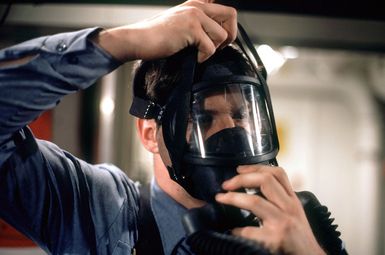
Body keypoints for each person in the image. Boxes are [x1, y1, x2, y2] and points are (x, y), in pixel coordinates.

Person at [0, 0, 332, 254]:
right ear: (149, 134)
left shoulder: (295, 222)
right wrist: (125, 41)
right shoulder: (99, 209)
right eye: (204, 118)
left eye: (241, 116)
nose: (232, 130)